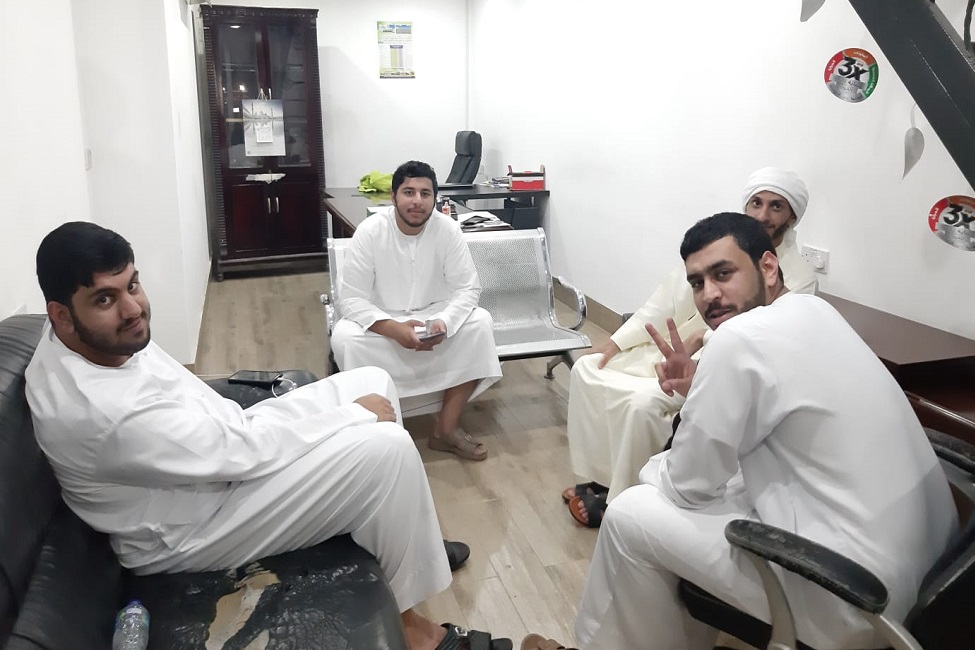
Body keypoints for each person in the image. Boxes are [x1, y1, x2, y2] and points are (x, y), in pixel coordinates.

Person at [25, 222, 509, 650]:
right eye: (105, 299)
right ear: (61, 313)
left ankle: (405, 540)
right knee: (386, 448)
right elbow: (239, 454)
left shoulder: (92, 340)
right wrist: (350, 417)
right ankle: (413, 630)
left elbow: (221, 439)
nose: (132, 308)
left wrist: (345, 413)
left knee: (374, 383)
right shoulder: (105, 414)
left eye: (132, 284)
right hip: (191, 528)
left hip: (214, 457)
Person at [525, 212, 958, 650]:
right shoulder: (816, 310)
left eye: (723, 274)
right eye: (697, 283)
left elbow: (687, 486)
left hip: (849, 596)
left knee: (630, 513)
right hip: (923, 575)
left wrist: (656, 466)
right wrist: (703, 391)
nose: (709, 295)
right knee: (715, 492)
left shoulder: (739, 338)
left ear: (768, 267)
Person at [564, 167, 818, 526]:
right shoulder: (718, 251)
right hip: (676, 350)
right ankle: (599, 477)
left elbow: (762, 335)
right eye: (756, 203)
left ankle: (623, 499)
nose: (763, 215)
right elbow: (661, 305)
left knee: (642, 405)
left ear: (792, 216)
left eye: (776, 206)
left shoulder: (800, 277)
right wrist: (614, 343)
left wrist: (702, 339)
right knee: (586, 368)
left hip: (717, 366)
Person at [331, 160, 502, 461]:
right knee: (346, 338)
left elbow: (468, 289)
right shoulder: (370, 231)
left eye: (425, 193)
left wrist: (444, 323)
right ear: (393, 197)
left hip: (434, 316)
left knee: (480, 323)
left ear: (435, 199)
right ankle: (381, 436)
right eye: (408, 192)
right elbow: (352, 298)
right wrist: (393, 329)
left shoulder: (447, 229)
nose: (417, 201)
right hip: (382, 320)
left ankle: (445, 429)